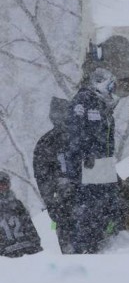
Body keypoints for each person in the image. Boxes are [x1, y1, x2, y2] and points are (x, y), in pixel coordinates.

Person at [65, 67, 122, 253]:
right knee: (90, 207)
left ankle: (106, 241)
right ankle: (87, 246)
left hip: (102, 163)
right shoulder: (83, 101)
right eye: (110, 85)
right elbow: (75, 131)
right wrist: (83, 154)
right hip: (87, 164)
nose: (112, 89)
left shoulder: (103, 104)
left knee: (108, 203)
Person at [33, 97, 76, 253]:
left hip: (72, 207)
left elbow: (43, 180)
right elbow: (44, 181)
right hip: (73, 208)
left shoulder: (45, 143)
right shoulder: (47, 144)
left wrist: (53, 205)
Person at [0, 172, 42, 258]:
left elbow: (28, 224)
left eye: (4, 184)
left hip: (28, 248)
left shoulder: (17, 204)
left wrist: (35, 242)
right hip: (7, 254)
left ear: (8, 185)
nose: (2, 187)